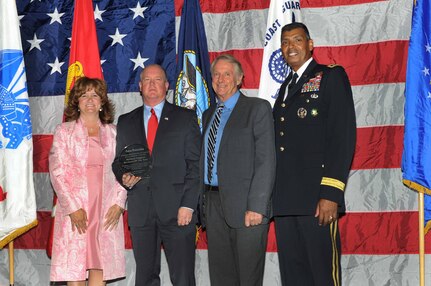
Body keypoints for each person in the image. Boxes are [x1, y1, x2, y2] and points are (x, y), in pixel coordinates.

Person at [272, 22, 356, 286]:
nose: (290, 46)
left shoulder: (330, 76)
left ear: (310, 45)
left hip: (316, 200)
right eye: (285, 42)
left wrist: (331, 193)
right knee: (294, 277)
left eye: (297, 40)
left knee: (322, 277)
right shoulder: (285, 87)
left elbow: (342, 137)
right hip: (285, 202)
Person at [112, 64, 201, 286]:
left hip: (178, 210)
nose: (152, 85)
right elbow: (117, 162)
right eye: (147, 81)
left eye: (158, 80)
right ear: (140, 86)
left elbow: (195, 165)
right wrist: (124, 176)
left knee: (182, 277)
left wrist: (188, 205)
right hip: (142, 211)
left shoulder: (185, 118)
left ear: (167, 85)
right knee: (145, 278)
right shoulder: (125, 121)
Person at [201, 54, 276, 286]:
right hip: (213, 206)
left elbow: (266, 160)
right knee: (221, 278)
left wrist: (256, 206)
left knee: (248, 279)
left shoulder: (257, 108)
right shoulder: (208, 114)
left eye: (227, 74)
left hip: (247, 208)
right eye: (216, 74)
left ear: (239, 79)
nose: (220, 79)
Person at [49, 77, 127, 285]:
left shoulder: (115, 133)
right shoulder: (64, 132)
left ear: (102, 102)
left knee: (100, 266)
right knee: (74, 271)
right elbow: (57, 173)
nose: (90, 100)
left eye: (95, 95)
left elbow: (124, 171)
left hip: (106, 207)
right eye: (84, 95)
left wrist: (119, 203)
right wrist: (72, 208)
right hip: (76, 209)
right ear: (77, 101)